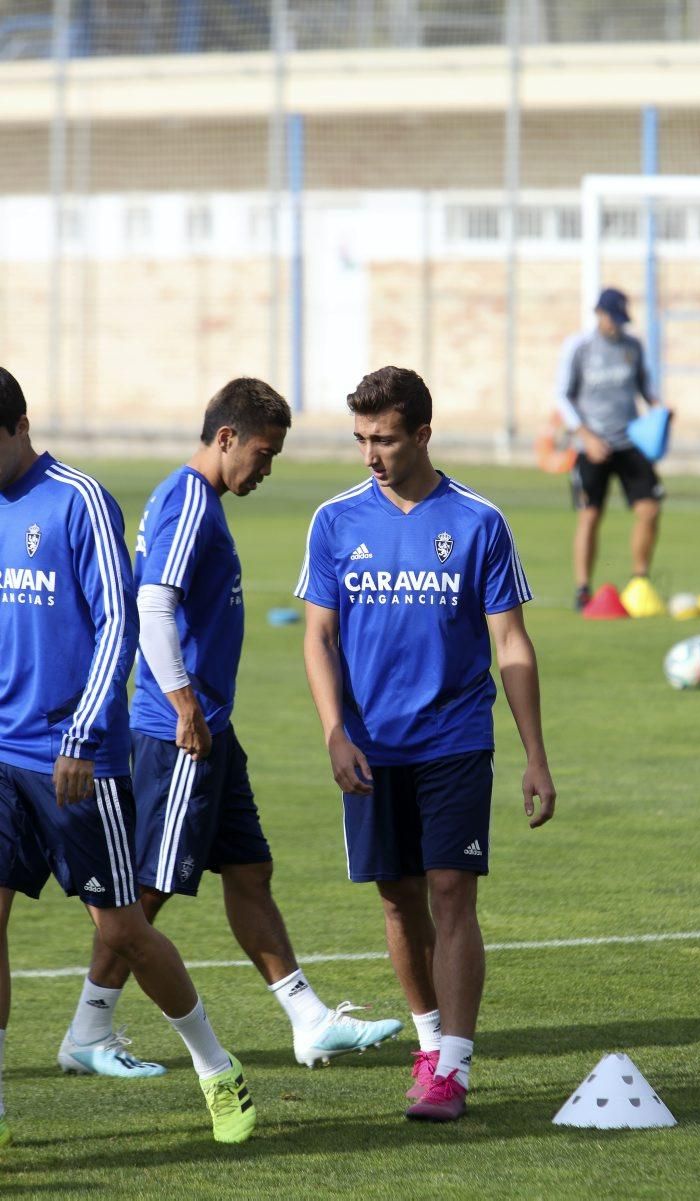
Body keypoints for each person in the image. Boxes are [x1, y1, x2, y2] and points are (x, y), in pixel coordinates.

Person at [58, 377, 402, 1082]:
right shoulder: (188, 500)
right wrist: (183, 704)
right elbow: (153, 604)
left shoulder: (190, 499)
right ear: (226, 438)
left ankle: (310, 1021)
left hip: (213, 727)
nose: (267, 469)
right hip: (182, 732)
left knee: (249, 870)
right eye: (264, 453)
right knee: (145, 892)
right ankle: (88, 1030)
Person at [0, 367, 255, 1146]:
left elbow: (119, 622)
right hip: (4, 755)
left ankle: (217, 1068)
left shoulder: (78, 499)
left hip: (77, 761)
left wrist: (80, 733)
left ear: (18, 427)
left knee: (125, 928)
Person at [295, 365, 556, 1122]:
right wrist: (334, 730)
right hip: (372, 745)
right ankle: (428, 1038)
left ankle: (454, 1066)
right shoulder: (335, 521)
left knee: (450, 893)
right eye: (361, 439)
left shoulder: (478, 521)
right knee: (399, 900)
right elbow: (317, 635)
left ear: (422, 433)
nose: (370, 454)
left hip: (455, 740)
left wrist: (535, 753)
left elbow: (511, 641)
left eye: (384, 438)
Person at [559, 287, 668, 614]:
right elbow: (562, 396)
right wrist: (585, 435)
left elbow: (646, 389)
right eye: (612, 318)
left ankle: (640, 580)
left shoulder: (632, 347)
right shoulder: (579, 348)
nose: (617, 325)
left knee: (650, 509)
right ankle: (582, 589)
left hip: (630, 441)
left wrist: (660, 409)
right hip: (592, 445)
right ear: (600, 314)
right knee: (590, 516)